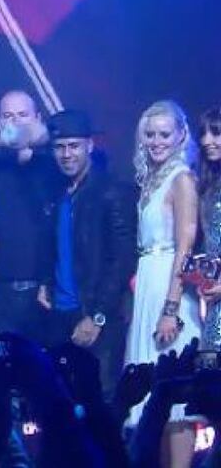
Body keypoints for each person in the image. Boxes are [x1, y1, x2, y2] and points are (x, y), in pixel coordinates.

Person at [125, 100, 201, 468]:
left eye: (164, 134)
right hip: (148, 284)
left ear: (181, 135)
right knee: (151, 397)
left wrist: (171, 308)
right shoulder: (150, 179)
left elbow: (185, 245)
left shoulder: (182, 178)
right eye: (150, 134)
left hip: (170, 287)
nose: (156, 141)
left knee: (175, 397)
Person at [40, 110, 137, 397]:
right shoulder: (58, 194)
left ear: (90, 146)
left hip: (95, 317)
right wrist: (47, 283)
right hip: (61, 315)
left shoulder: (111, 192)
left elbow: (122, 260)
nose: (66, 154)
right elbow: (56, 249)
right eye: (59, 147)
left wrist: (97, 316)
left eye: (74, 146)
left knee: (100, 404)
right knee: (62, 405)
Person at [0, 90, 60, 341]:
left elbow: (54, 134)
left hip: (43, 293)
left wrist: (32, 138)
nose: (15, 122)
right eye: (8, 116)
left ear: (38, 118)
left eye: (23, 115)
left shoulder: (54, 165)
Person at [197, 106, 221, 350]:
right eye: (203, 134)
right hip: (213, 296)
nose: (207, 141)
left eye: (215, 133)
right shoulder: (209, 185)